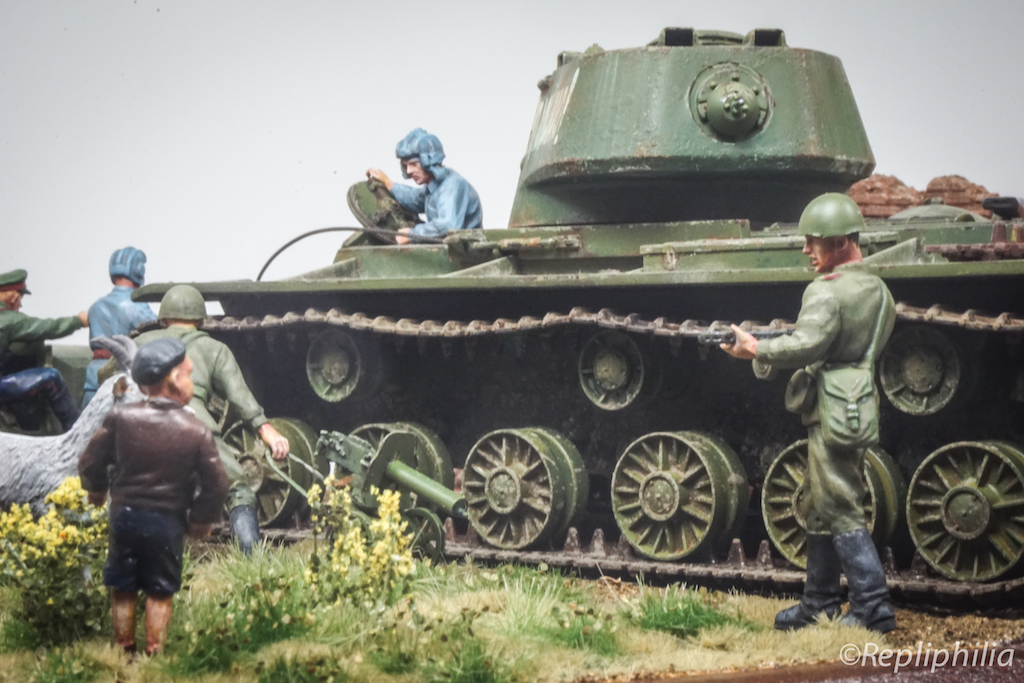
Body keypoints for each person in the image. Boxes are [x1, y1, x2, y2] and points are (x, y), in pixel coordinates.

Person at [720, 193, 898, 634]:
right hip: (856, 401)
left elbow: (808, 345)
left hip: (828, 408)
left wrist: (756, 348)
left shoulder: (826, 291)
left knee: (840, 504)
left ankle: (873, 607)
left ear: (840, 243)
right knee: (821, 505)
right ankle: (819, 602)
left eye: (813, 241)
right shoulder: (877, 290)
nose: (805, 250)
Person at [79, 337, 229, 655]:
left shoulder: (120, 418)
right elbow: (217, 482)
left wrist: (96, 489)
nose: (192, 379)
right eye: (189, 374)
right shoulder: (196, 430)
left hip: (124, 517)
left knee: (123, 586)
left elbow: (91, 460)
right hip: (167, 522)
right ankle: (154, 651)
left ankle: (123, 648)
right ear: (174, 379)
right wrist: (201, 520)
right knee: (160, 591)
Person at [134, 284, 288, 553]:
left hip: (143, 420)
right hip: (193, 420)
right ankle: (252, 559)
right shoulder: (213, 348)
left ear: (164, 317)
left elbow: (110, 382)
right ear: (201, 319)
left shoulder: (139, 343)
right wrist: (266, 430)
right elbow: (239, 396)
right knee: (237, 488)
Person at [0, 268, 88, 432]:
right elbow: (49, 328)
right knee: (51, 377)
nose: (20, 305)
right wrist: (78, 321)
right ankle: (77, 430)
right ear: (14, 298)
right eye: (20, 300)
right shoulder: (12, 320)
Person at [366, 128, 482, 244]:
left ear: (428, 161)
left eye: (414, 164)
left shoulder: (452, 186)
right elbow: (415, 198)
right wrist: (388, 183)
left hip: (465, 251)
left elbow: (448, 225)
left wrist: (412, 234)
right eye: (405, 166)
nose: (409, 171)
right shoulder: (435, 186)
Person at [82, 247, 158, 407]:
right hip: (121, 377)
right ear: (138, 270)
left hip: (94, 377)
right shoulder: (137, 306)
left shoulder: (96, 306)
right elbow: (157, 336)